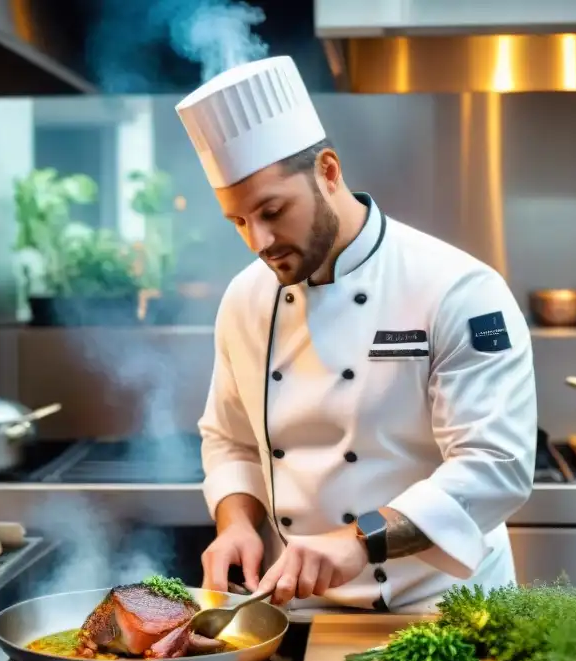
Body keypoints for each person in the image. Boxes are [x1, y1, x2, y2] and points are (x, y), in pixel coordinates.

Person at [174, 56, 537, 613]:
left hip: (447, 611)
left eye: (272, 210)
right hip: (298, 610)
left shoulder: (457, 289)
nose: (258, 241)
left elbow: (495, 466)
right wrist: (237, 523)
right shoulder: (245, 298)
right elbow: (231, 440)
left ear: (328, 170)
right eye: (239, 222)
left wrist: (357, 540)